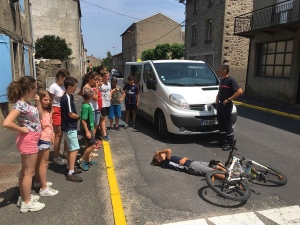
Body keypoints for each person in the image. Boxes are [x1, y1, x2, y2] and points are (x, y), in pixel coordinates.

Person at [3, 76, 45, 212]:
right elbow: (6, 122)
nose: (36, 91)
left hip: (30, 139)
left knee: (26, 171)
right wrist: (21, 129)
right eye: (35, 88)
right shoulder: (20, 104)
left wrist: (37, 104)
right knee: (29, 172)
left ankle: (24, 196)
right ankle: (27, 202)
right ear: (30, 88)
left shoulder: (26, 103)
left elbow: (38, 117)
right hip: (29, 140)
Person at [34, 89, 59, 196]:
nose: (47, 101)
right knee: (43, 163)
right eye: (45, 99)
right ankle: (44, 188)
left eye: (49, 100)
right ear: (39, 99)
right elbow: (39, 120)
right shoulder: (37, 110)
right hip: (42, 139)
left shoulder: (47, 110)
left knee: (40, 162)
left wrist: (52, 136)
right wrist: (38, 103)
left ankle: (39, 181)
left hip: (46, 138)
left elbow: (50, 124)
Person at [216, 61, 243, 151]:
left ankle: (230, 143)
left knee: (227, 124)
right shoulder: (222, 80)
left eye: (219, 70)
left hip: (226, 105)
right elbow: (220, 91)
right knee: (221, 123)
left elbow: (240, 91)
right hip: (220, 104)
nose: (218, 72)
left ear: (224, 71)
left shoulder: (231, 80)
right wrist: (217, 97)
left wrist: (228, 99)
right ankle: (223, 141)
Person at [60, 77, 83, 182]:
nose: (76, 88)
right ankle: (71, 172)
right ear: (69, 87)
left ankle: (70, 166)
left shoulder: (69, 96)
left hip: (68, 126)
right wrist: (79, 117)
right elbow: (70, 113)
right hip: (69, 126)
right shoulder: (67, 98)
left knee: (70, 148)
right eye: (75, 86)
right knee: (74, 148)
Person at [151, 149, 226, 178]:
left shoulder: (170, 159)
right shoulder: (166, 163)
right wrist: (159, 152)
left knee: (218, 164)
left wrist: (184, 158)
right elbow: (168, 150)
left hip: (192, 162)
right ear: (159, 160)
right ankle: (228, 180)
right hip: (190, 166)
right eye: (160, 156)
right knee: (213, 171)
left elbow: (185, 158)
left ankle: (230, 174)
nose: (162, 154)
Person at [48, 69, 70, 166]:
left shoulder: (64, 86)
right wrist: (50, 113)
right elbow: (49, 101)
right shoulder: (53, 87)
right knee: (58, 134)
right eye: (65, 78)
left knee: (67, 131)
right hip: (56, 110)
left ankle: (65, 151)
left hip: (65, 110)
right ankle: (56, 156)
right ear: (60, 77)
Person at [78, 88, 98, 171]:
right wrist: (87, 131)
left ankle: (88, 160)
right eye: (92, 94)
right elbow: (83, 120)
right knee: (93, 145)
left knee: (88, 145)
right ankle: (81, 160)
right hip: (88, 129)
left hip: (89, 128)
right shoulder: (86, 106)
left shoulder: (86, 104)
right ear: (90, 96)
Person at [79, 71, 101, 149]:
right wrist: (97, 87)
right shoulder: (87, 87)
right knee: (90, 129)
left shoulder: (90, 87)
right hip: (90, 109)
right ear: (89, 79)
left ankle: (91, 145)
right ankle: (89, 148)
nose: (96, 81)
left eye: (97, 80)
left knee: (94, 128)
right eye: (95, 79)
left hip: (94, 108)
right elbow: (95, 98)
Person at [99, 70, 111, 141]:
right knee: (103, 119)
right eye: (107, 76)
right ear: (102, 77)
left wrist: (110, 97)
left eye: (108, 76)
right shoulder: (100, 84)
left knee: (105, 118)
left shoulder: (109, 84)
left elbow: (109, 91)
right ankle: (104, 134)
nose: (108, 77)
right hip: (102, 104)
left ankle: (102, 131)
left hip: (107, 103)